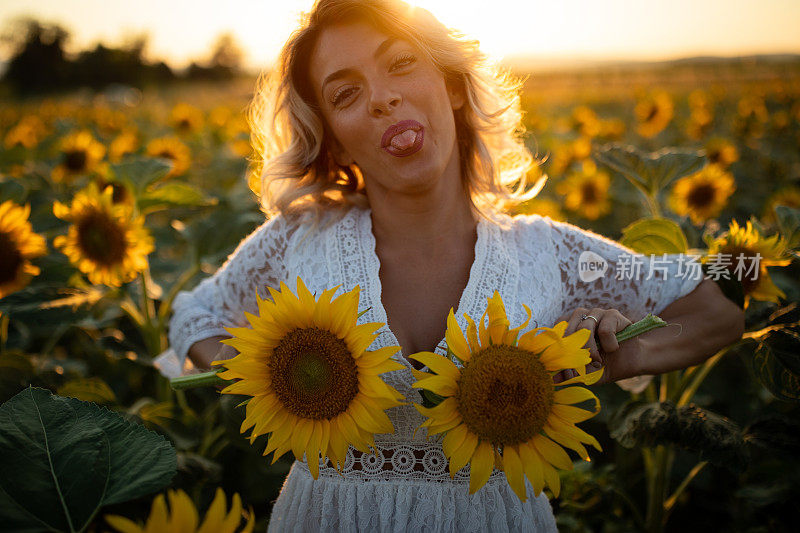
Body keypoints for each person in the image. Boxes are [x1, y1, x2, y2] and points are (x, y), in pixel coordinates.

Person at [166, 0, 745, 530]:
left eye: (400, 64)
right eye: (345, 95)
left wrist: (630, 353)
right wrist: (269, 375)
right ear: (335, 140)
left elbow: (713, 302)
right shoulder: (301, 240)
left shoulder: (551, 254)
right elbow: (198, 314)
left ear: (454, 87)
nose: (382, 97)